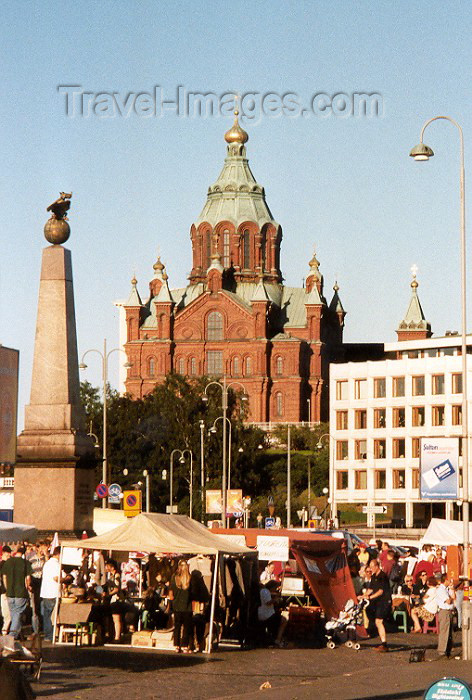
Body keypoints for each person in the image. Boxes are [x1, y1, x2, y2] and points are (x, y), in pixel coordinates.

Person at [1, 545, 32, 639]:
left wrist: (7, 588)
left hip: (10, 593)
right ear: (24, 554)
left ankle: (14, 635)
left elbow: (4, 577)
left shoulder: (8, 562)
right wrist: (28, 586)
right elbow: (28, 579)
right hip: (21, 592)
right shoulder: (26, 563)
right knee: (17, 615)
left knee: (14, 614)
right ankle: (11, 636)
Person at [364, 558, 391, 652]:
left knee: (379, 621)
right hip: (377, 602)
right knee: (370, 613)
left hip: (384, 601)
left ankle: (384, 644)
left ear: (376, 566)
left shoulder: (382, 576)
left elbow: (380, 591)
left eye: (372, 567)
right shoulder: (374, 576)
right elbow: (371, 589)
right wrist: (363, 596)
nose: (371, 569)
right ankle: (382, 641)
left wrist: (370, 598)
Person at [169, 559, 193, 653]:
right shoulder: (190, 578)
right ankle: (184, 646)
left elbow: (171, 592)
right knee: (186, 627)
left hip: (176, 605)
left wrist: (172, 600)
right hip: (187, 606)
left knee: (177, 626)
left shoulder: (174, 577)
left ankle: (176, 645)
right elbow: (193, 592)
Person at [39, 546, 61, 641]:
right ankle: (50, 635)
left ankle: (47, 634)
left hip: (45, 592)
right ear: (59, 554)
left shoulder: (47, 563)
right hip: (53, 592)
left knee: (46, 615)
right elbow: (56, 578)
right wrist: (64, 580)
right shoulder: (56, 565)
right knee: (52, 615)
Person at [257, 580, 287, 647]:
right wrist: (275, 600)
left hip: (266, 613)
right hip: (266, 615)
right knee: (283, 620)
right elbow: (268, 602)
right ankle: (278, 639)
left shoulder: (265, 591)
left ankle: (276, 638)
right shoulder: (265, 591)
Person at [436, 575, 455, 658]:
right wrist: (451, 598)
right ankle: (442, 651)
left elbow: (454, 597)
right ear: (446, 580)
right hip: (444, 611)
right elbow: (448, 601)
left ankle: (448, 649)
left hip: (449, 611)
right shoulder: (441, 589)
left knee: (449, 632)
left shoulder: (447, 589)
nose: (451, 582)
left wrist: (452, 590)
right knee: (444, 631)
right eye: (449, 581)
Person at [0, 545, 12, 635]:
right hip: (4, 592)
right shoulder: (5, 564)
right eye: (8, 553)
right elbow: (4, 578)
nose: (9, 555)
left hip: (2, 592)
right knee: (7, 616)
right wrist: (7, 590)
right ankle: (4, 633)